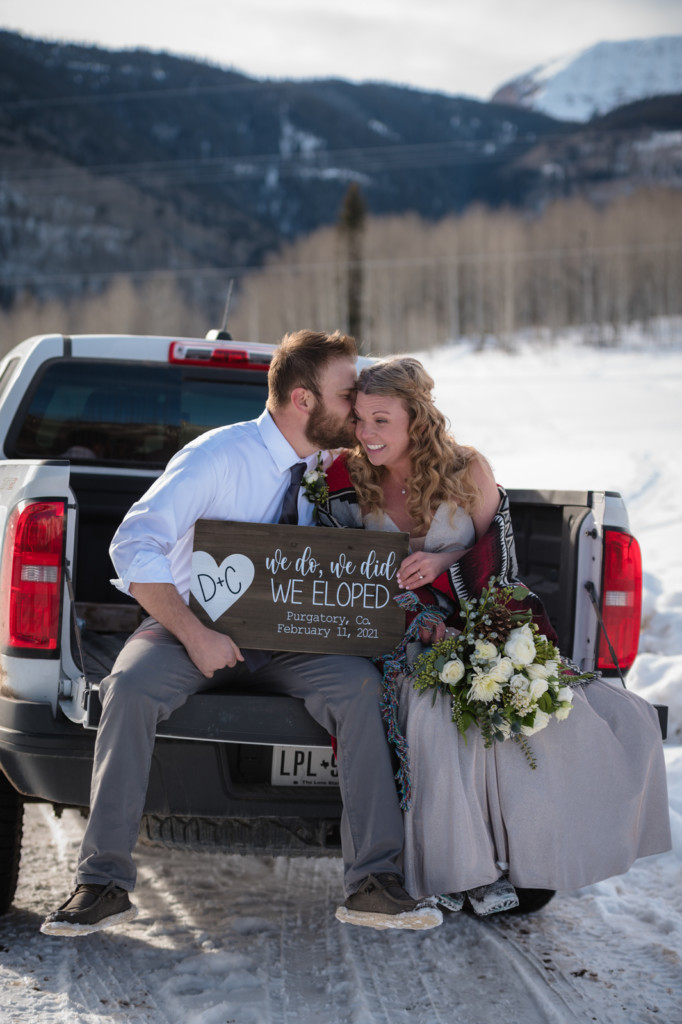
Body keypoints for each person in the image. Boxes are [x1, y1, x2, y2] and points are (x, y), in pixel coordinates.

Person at [41, 331, 443, 937]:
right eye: (347, 394)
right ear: (304, 400)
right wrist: (194, 634)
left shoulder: (330, 469)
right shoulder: (217, 457)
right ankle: (102, 882)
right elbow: (133, 542)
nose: (358, 407)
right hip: (191, 625)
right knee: (127, 688)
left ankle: (373, 882)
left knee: (360, 691)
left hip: (292, 639)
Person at [318, 356, 672, 917]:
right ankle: (460, 873)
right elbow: (328, 570)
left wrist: (442, 563)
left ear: (418, 417)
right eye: (359, 419)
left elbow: (499, 563)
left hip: (473, 619)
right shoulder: (343, 477)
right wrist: (406, 607)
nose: (365, 434)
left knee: (587, 710)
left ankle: (532, 857)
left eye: (381, 420)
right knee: (436, 712)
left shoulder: (468, 470)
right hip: (387, 636)